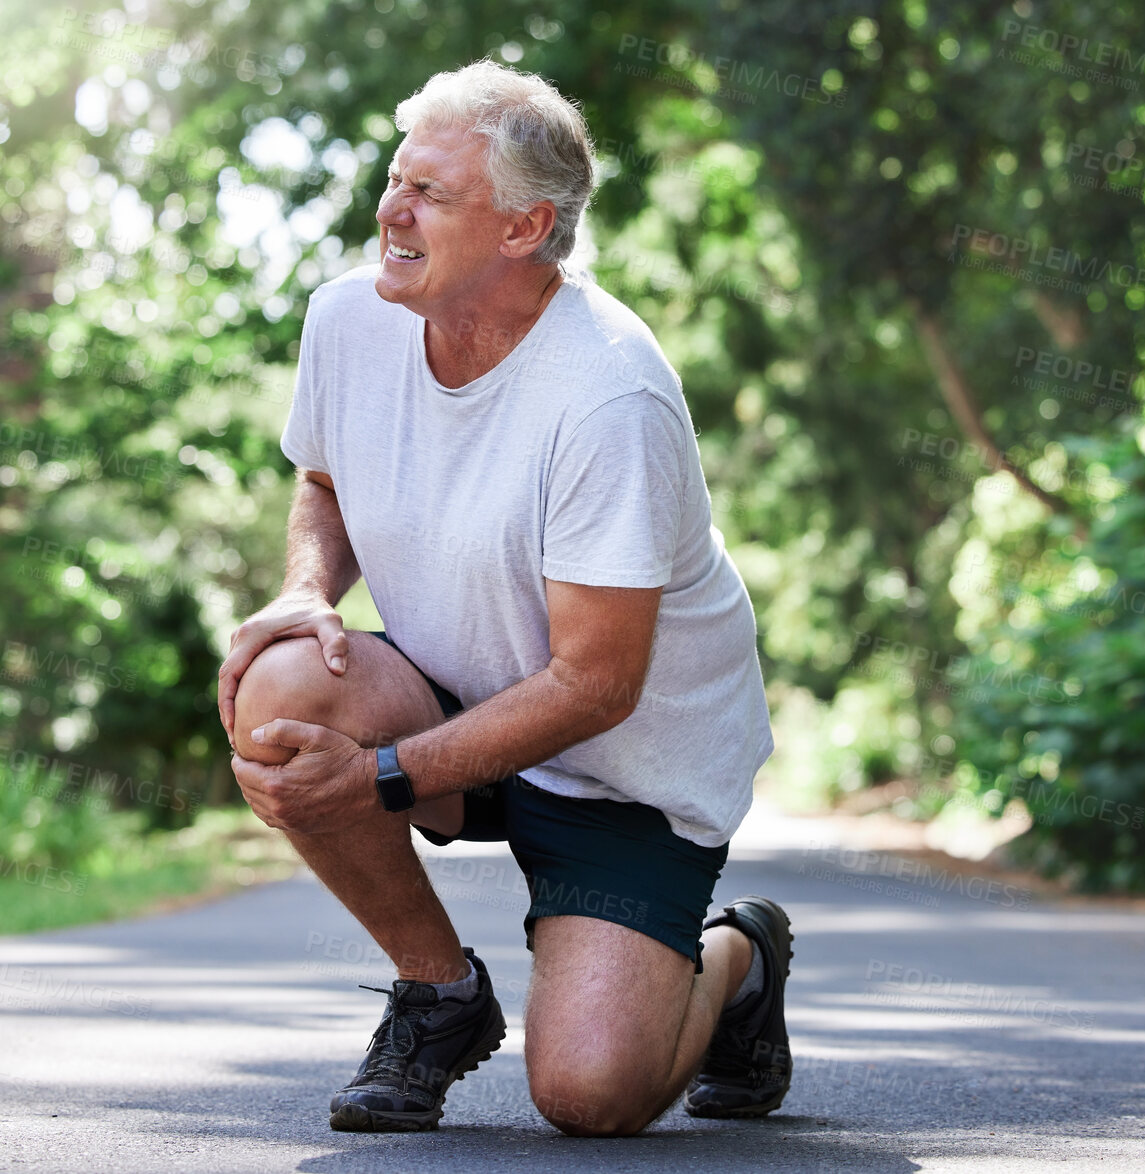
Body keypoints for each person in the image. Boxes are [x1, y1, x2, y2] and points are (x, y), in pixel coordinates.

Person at [217, 59, 789, 1137]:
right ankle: (437, 993)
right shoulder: (348, 320)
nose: (390, 209)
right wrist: (304, 591)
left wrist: (382, 776)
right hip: (453, 691)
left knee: (591, 1095)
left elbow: (596, 683)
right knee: (285, 683)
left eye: (428, 194)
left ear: (525, 229)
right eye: (395, 179)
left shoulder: (609, 394)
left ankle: (735, 958)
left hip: (621, 768)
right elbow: (325, 478)